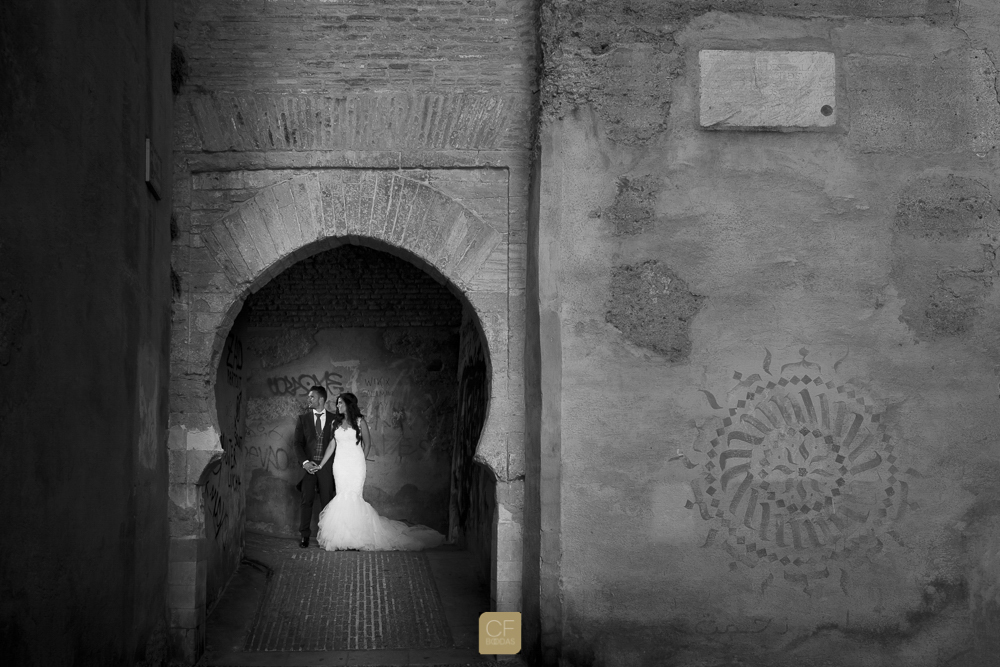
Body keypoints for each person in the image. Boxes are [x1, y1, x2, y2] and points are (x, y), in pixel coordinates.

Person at [315, 392, 445, 551]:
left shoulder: (359, 421)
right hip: (340, 465)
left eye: (340, 403)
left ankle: (358, 538)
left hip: (356, 465)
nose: (337, 406)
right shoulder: (335, 423)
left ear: (349, 405)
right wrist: (321, 465)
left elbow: (367, 444)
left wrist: (360, 460)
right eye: (337, 403)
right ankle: (341, 538)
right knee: (342, 497)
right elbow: (331, 445)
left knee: (355, 497)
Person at [292, 386, 336, 548]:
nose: (308, 399)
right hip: (309, 467)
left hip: (326, 468)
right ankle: (304, 535)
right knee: (306, 501)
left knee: (327, 501)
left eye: (312, 397)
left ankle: (326, 535)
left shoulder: (334, 419)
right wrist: (305, 463)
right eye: (308, 397)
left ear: (321, 400)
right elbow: (297, 443)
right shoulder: (303, 419)